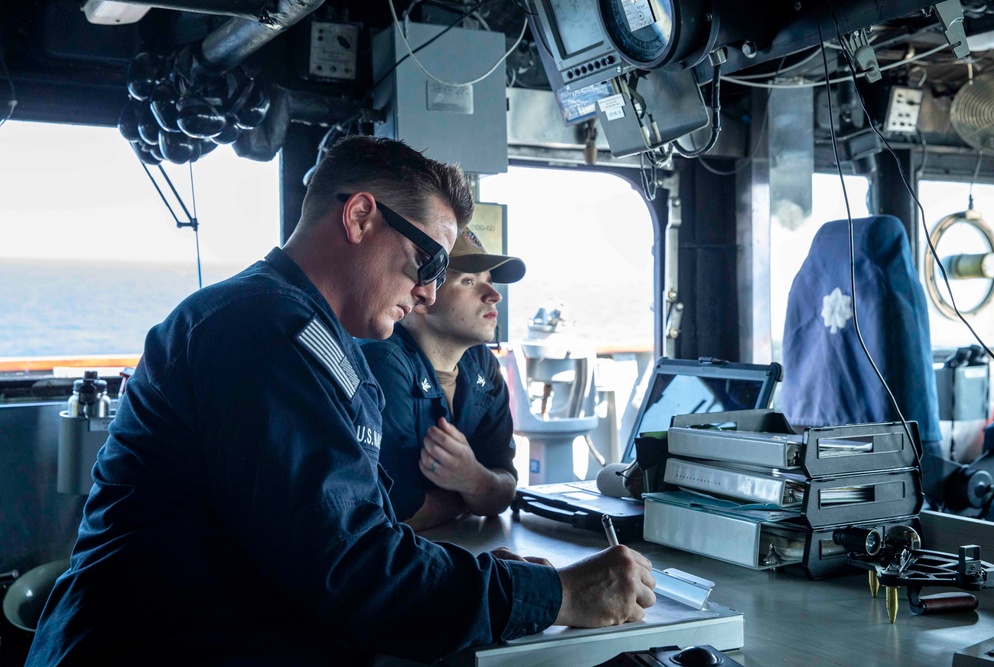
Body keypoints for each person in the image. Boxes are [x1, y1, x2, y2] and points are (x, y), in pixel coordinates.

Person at [26, 135, 656, 666]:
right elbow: (355, 570)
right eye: (428, 261)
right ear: (359, 218)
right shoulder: (266, 330)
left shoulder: (320, 337)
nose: (430, 294)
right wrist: (554, 593)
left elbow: (359, 531)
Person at [360, 229, 525, 530]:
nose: (494, 295)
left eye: (489, 281)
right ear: (423, 297)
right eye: (469, 281)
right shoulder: (383, 362)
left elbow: (505, 488)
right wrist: (469, 496)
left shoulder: (482, 366)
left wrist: (474, 477)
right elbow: (395, 512)